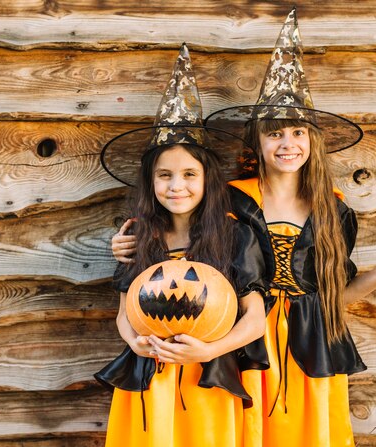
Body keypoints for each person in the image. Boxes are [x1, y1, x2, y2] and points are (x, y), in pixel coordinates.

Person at [112, 9, 376, 447]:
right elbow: (174, 234)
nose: (287, 144)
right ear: (256, 139)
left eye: (297, 133)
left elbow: (335, 295)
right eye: (275, 134)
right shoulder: (231, 197)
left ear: (313, 140)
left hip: (310, 339)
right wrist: (127, 244)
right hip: (238, 336)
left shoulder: (333, 210)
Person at [95, 44, 268, 447]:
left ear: (207, 179)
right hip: (149, 373)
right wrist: (133, 340)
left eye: (189, 174)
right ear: (150, 182)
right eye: (165, 175)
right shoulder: (139, 236)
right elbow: (125, 313)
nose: (176, 186)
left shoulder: (234, 235)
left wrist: (208, 351)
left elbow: (255, 319)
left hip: (207, 376)